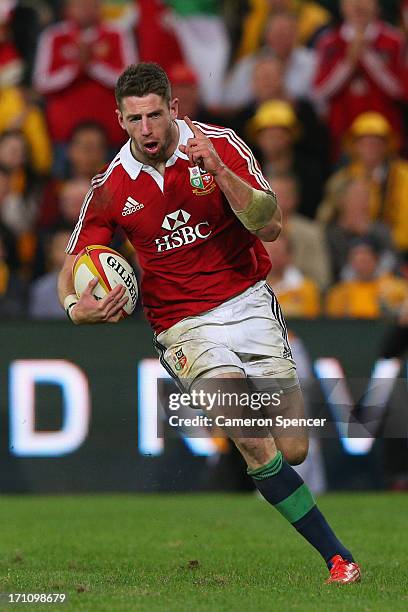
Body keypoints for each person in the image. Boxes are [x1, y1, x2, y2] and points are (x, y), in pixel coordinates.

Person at [57, 62, 361, 584]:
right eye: (135, 119)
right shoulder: (111, 185)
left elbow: (271, 225)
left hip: (247, 302)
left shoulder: (220, 144)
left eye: (156, 114)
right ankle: (338, 558)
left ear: (174, 108)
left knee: (294, 445)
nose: (147, 129)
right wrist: (74, 307)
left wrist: (220, 172)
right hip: (182, 324)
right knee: (250, 436)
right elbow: (75, 261)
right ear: (120, 120)